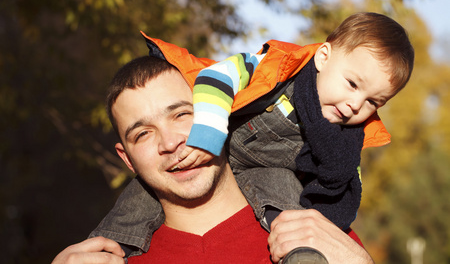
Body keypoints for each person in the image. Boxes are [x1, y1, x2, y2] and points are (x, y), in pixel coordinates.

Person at [89, 11, 414, 252]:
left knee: (289, 208)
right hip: (235, 139)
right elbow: (218, 78)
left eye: (374, 101)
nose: (355, 104)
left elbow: (344, 183)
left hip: (274, 179)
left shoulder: (326, 230)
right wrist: (209, 134)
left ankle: (302, 257)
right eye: (142, 133)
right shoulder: (277, 67)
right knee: (127, 213)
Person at [52, 55, 374, 263]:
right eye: (143, 134)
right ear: (128, 159)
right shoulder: (107, 258)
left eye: (182, 114)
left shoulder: (312, 230)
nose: (170, 142)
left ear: (218, 112)